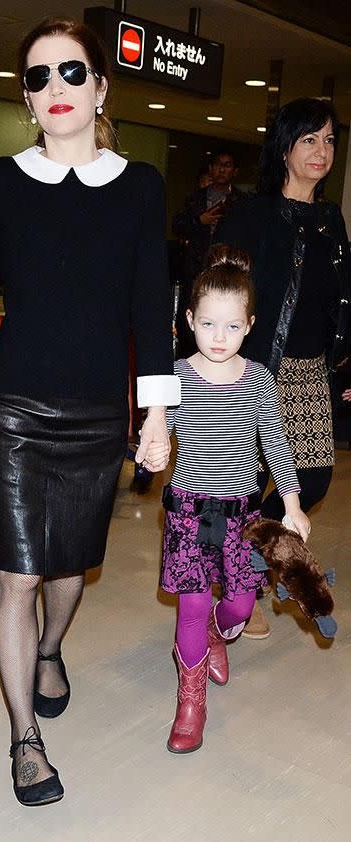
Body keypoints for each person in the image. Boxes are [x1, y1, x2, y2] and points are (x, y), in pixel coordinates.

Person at [0, 17, 179, 806]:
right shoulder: (1, 183)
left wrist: (158, 412)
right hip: (15, 410)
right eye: (38, 79)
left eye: (71, 73)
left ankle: (49, 648)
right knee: (17, 573)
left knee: (69, 569)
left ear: (100, 87)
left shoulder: (141, 188)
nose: (56, 90)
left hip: (97, 412)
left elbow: (151, 309)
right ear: (27, 101)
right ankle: (24, 741)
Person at [148, 245, 310, 754]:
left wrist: (292, 502)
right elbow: (158, 435)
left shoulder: (260, 381)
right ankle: (190, 699)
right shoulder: (172, 378)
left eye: (233, 327)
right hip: (187, 516)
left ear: (250, 324)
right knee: (191, 606)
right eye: (209, 324)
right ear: (190, 319)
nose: (219, 338)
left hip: (242, 517)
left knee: (239, 604)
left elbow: (277, 444)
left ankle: (222, 632)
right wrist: (150, 451)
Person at [216, 98, 351, 638]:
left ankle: (254, 550)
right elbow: (220, 291)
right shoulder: (252, 215)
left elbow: (337, 301)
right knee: (245, 484)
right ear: (285, 147)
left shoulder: (331, 219)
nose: (322, 151)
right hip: (255, 368)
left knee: (312, 479)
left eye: (330, 141)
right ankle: (241, 584)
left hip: (310, 369)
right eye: (309, 139)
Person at [172, 149, 247, 357]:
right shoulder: (195, 198)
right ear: (211, 169)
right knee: (191, 327)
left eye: (227, 165)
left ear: (235, 171)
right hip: (196, 271)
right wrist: (200, 221)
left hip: (229, 274)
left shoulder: (243, 202)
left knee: (225, 325)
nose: (222, 169)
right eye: (218, 165)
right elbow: (177, 225)